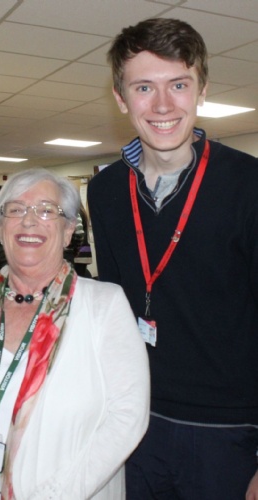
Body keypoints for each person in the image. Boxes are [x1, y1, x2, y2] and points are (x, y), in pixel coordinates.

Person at [87, 18, 258, 500]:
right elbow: (115, 305)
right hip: (135, 421)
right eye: (144, 87)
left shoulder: (248, 185)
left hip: (228, 430)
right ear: (121, 98)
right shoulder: (105, 190)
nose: (163, 105)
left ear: (202, 89)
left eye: (179, 84)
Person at [0, 168, 149, 499]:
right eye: (15, 209)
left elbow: (127, 418)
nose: (29, 221)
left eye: (46, 210)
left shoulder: (104, 305)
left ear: (69, 229)